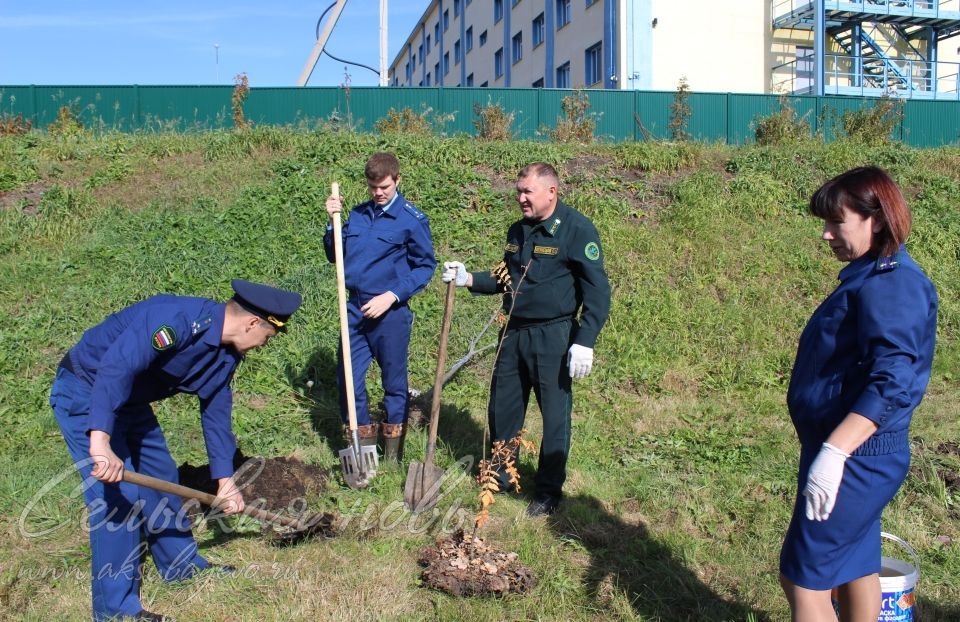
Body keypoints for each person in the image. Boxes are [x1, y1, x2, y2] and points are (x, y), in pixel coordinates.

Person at [51, 280, 302, 622]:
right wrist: (100, 441)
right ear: (252, 323)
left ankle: (182, 566)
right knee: (117, 497)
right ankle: (116, 610)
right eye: (267, 337)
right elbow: (117, 368)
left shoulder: (225, 352)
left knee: (160, 475)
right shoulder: (176, 321)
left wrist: (224, 480)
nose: (263, 345)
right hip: (87, 392)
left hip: (131, 401)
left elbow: (215, 412)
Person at [780, 166, 937, 621]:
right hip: (852, 451)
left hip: (855, 456)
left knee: (803, 579)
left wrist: (835, 451)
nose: (827, 235)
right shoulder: (869, 275)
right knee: (855, 566)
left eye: (837, 222)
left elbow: (893, 379)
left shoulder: (892, 283)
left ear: (877, 220)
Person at [442, 162, 611, 516]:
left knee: (554, 415)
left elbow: (597, 292)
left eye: (527, 192)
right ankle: (501, 475)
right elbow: (508, 278)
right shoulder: (517, 231)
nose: (520, 198)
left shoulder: (577, 230)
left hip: (554, 335)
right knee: (503, 407)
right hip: (513, 332)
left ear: (551, 192)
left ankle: (548, 492)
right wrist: (469, 279)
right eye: (518, 190)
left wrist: (586, 339)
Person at [324, 152, 436, 462]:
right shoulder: (358, 215)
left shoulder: (411, 220)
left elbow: (425, 266)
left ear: (397, 180)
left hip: (390, 314)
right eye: (373, 187)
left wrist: (392, 296)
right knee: (348, 378)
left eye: (384, 187)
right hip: (355, 310)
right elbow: (337, 256)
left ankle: (392, 456)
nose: (378, 193)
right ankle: (363, 452)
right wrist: (332, 224)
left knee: (394, 384)